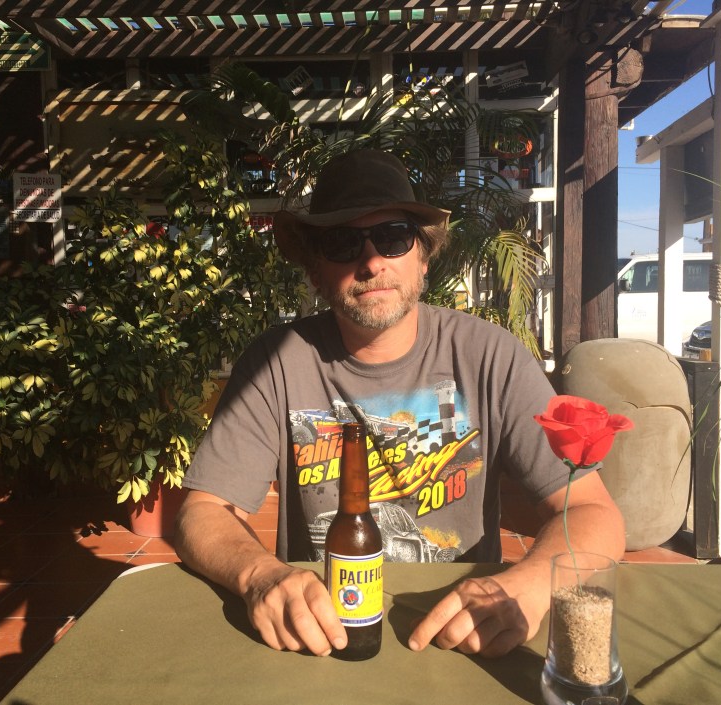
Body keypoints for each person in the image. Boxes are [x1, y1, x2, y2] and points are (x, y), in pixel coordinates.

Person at [172, 149, 625, 659]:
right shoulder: (275, 364)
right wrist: (260, 576)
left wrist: (531, 585)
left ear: (423, 257)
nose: (371, 262)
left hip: (462, 639)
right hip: (320, 636)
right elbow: (202, 513)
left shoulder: (490, 356)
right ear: (317, 271)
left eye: (392, 237)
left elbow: (592, 510)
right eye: (343, 243)